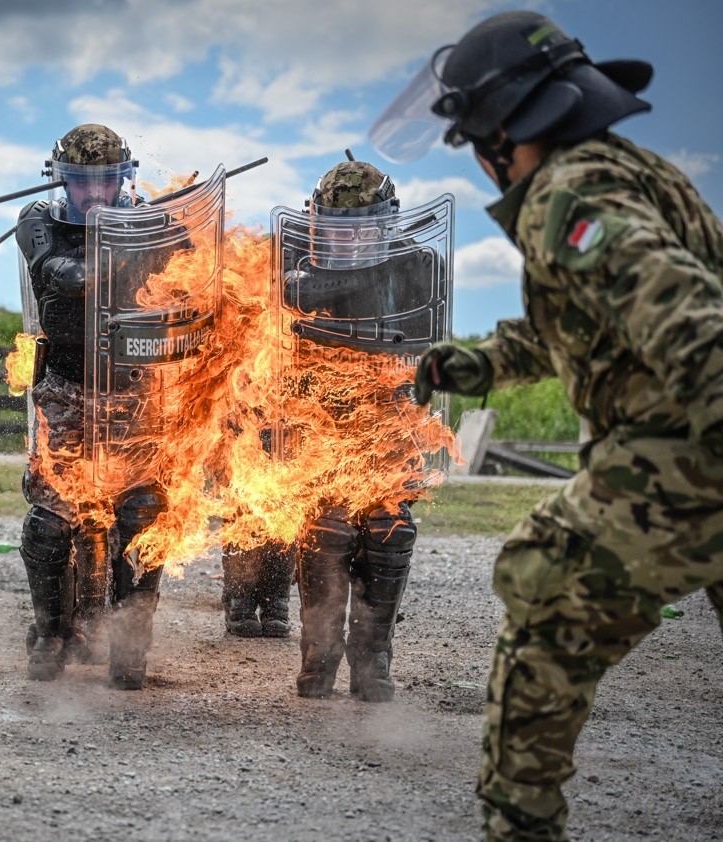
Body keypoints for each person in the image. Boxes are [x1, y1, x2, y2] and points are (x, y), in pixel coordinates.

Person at [372, 9, 723, 840]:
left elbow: (687, 319)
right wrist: (477, 363)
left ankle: (519, 827)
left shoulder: (568, 191)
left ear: (505, 130)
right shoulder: (634, 168)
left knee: (544, 592)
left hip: (683, 453)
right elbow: (596, 318)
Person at [14, 123, 168, 690]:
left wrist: (150, 229)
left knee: (141, 514)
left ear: (122, 178)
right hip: (65, 388)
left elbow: (191, 266)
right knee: (52, 522)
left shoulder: (149, 217)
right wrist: (125, 245)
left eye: (106, 182)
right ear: (63, 180)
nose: (95, 195)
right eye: (82, 184)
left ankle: (129, 651)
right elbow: (64, 275)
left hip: (135, 392)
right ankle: (51, 637)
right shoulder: (39, 220)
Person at [278, 159, 435, 702]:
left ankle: (374, 660)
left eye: (363, 227)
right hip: (320, 425)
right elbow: (296, 294)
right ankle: (319, 656)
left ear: (386, 224)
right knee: (325, 532)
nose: (352, 239)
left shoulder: (420, 265)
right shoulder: (295, 265)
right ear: (318, 226)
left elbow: (422, 343)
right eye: (338, 229)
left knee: (390, 531)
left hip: (388, 424)